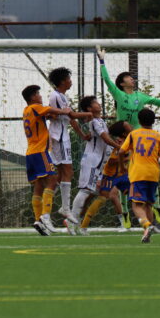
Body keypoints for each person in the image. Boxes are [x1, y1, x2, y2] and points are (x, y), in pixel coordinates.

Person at [97, 46, 160, 222]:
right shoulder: (118, 94)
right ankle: (125, 214)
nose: (132, 79)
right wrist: (102, 61)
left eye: (132, 77)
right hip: (123, 140)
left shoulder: (141, 96)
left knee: (144, 173)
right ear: (122, 83)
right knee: (124, 177)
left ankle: (156, 208)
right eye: (129, 77)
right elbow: (106, 80)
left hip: (139, 141)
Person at [21, 84, 76, 235]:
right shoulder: (36, 107)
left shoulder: (27, 111)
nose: (40, 96)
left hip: (30, 153)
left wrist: (51, 116)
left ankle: (38, 220)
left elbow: (47, 115)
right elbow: (51, 110)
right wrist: (64, 111)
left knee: (39, 186)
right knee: (52, 179)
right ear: (33, 97)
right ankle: (45, 216)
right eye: (38, 94)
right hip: (40, 152)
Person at [68, 97, 123, 234]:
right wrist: (119, 147)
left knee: (94, 193)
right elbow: (105, 138)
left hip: (98, 162)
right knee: (85, 191)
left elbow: (104, 141)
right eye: (95, 102)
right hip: (92, 160)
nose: (99, 104)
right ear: (89, 108)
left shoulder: (100, 121)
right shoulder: (94, 122)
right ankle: (71, 222)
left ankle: (78, 224)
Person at [47, 67, 92, 224]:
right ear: (62, 81)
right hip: (58, 137)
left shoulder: (63, 97)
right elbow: (71, 115)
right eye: (68, 79)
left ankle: (47, 208)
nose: (70, 81)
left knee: (61, 175)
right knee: (68, 171)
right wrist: (88, 114)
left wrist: (82, 135)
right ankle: (65, 208)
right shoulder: (55, 96)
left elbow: (71, 119)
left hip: (62, 136)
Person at [118, 108, 160, 243]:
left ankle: (146, 225)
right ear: (153, 121)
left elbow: (121, 152)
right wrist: (156, 162)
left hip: (138, 173)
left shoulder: (134, 134)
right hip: (153, 174)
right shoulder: (159, 136)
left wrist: (122, 167)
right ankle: (147, 233)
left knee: (136, 204)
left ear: (139, 121)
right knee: (148, 205)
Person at [79, 121, 132, 234]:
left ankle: (141, 223)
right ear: (123, 133)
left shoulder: (128, 141)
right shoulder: (117, 143)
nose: (130, 127)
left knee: (135, 196)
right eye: (128, 126)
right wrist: (126, 159)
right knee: (97, 197)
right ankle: (81, 224)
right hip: (108, 176)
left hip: (121, 175)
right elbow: (111, 161)